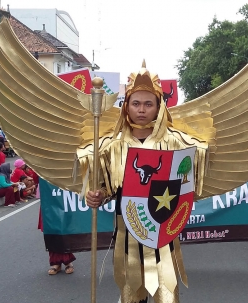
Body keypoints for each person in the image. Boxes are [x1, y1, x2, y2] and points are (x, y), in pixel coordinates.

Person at [85, 63, 210, 303]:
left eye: (148, 104)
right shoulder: (112, 145)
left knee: (167, 297)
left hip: (164, 235)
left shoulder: (177, 143)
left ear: (158, 106)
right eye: (136, 103)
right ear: (127, 106)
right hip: (127, 235)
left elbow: (188, 182)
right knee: (131, 297)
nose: (141, 110)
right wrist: (97, 195)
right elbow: (106, 188)